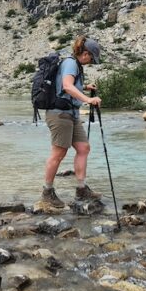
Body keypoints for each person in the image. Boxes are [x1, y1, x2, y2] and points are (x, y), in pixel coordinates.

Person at [40, 36, 103, 209]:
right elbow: (67, 86)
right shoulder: (70, 63)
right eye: (91, 58)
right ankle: (47, 192)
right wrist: (88, 100)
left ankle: (81, 189)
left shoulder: (75, 64)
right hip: (60, 114)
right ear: (85, 53)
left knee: (83, 148)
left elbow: (67, 86)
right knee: (58, 153)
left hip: (71, 113)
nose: (90, 62)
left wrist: (85, 87)